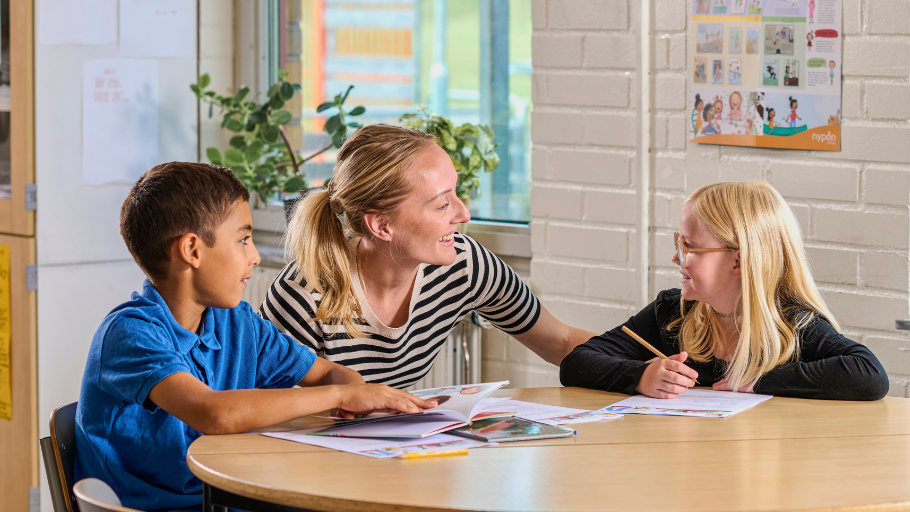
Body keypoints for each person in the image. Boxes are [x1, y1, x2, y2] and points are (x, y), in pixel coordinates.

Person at [75, 162, 437, 512]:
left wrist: (352, 393)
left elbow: (327, 374)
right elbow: (212, 414)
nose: (255, 256)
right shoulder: (130, 333)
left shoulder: (236, 323)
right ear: (192, 250)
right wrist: (344, 394)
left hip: (227, 497)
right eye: (244, 239)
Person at [261, 124, 596, 388]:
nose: (463, 213)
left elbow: (561, 341)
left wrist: (638, 369)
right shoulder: (302, 296)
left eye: (456, 193)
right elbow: (255, 415)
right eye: (442, 204)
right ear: (382, 225)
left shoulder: (464, 265)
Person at [560, 181, 888, 401]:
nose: (677, 257)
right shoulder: (673, 314)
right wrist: (641, 375)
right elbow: (577, 361)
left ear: (738, 262)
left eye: (689, 246)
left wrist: (759, 381)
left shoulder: (791, 324)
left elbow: (869, 374)